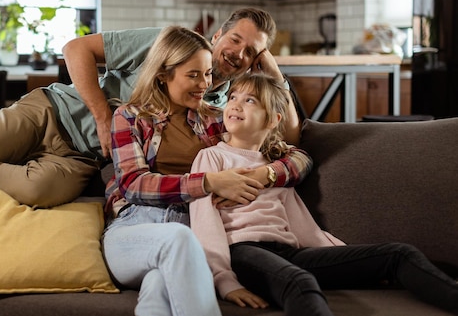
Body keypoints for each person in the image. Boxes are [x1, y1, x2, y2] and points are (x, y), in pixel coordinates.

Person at [0, 7, 293, 260]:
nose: (238, 53)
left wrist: (267, 60)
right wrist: (98, 114)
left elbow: (289, 126)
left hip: (81, 159)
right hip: (54, 112)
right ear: (220, 32)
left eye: (250, 52)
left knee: (42, 189)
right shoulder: (166, 44)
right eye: (235, 40)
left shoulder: (225, 101)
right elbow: (76, 49)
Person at [189, 73, 458, 316]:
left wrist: (350, 260)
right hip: (243, 252)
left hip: (289, 252)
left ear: (272, 119)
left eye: (250, 100)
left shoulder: (277, 165)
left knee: (399, 254)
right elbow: (205, 224)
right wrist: (224, 281)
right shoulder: (212, 158)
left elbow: (303, 226)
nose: (235, 104)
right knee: (301, 282)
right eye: (233, 97)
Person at [102, 26, 312, 316]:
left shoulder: (213, 122)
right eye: (193, 75)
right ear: (163, 74)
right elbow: (133, 184)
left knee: (157, 293)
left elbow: (297, 155)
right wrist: (210, 182)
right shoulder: (129, 116)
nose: (205, 84)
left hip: (188, 237)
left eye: (208, 73)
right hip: (134, 231)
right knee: (178, 238)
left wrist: (268, 174)